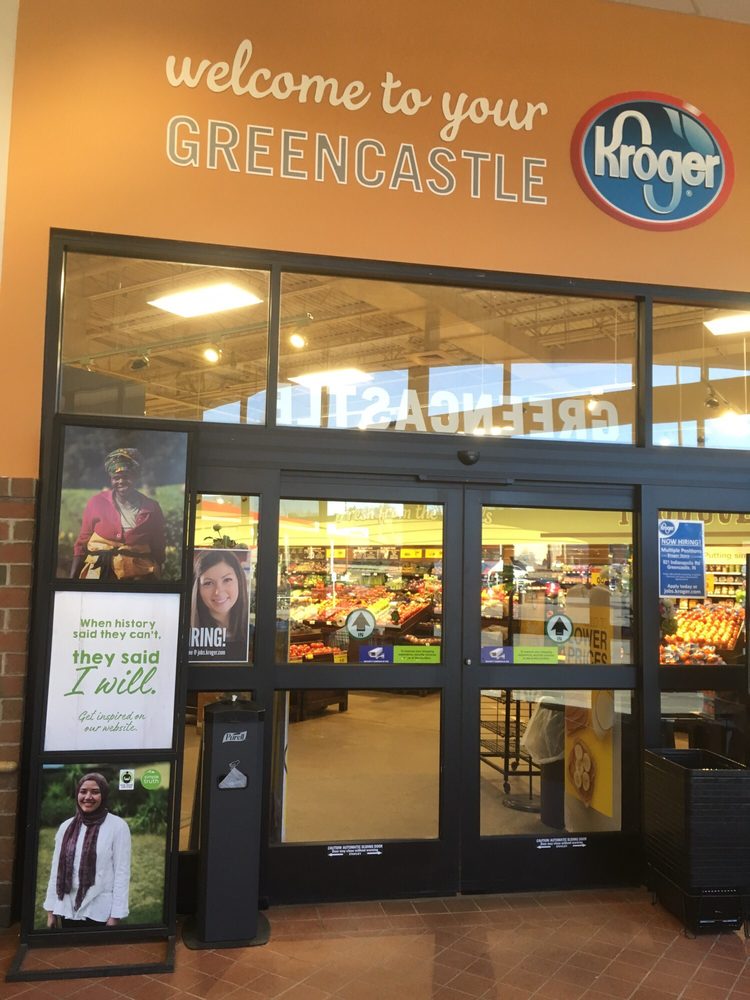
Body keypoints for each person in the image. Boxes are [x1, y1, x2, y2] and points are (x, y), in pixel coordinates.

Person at [44, 773, 131, 928]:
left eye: (95, 792)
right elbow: (56, 869)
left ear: (104, 795)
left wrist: (115, 916)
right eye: (83, 791)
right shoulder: (66, 827)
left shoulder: (118, 827)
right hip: (68, 908)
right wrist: (51, 910)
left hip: (100, 910)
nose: (88, 797)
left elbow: (122, 873)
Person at [70, 448, 166, 580]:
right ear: (111, 480)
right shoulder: (96, 503)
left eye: (126, 477)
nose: (121, 481)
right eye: (116, 478)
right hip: (99, 575)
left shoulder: (151, 508)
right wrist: (72, 579)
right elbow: (82, 543)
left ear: (136, 477)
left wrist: (158, 577)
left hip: (139, 577)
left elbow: (158, 546)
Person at [189, 549, 249, 661]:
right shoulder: (188, 635)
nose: (218, 591)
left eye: (227, 580)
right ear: (198, 589)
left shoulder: (252, 633)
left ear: (239, 581)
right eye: (208, 583)